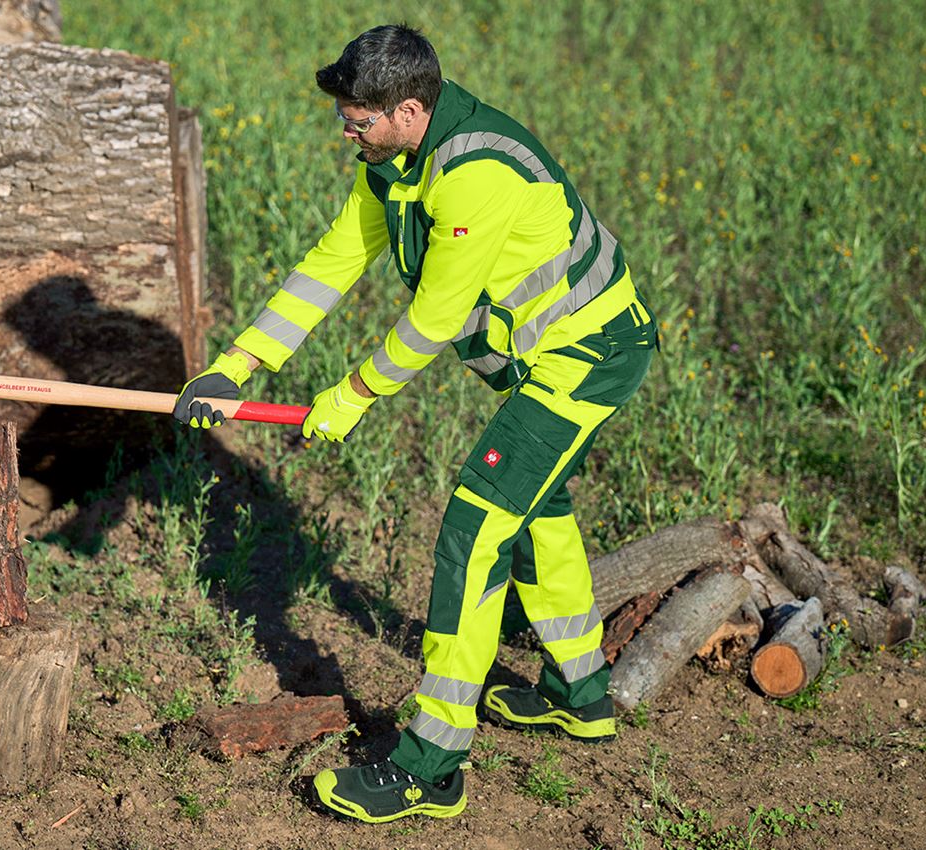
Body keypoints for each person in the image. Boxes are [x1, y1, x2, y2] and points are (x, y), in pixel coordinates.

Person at [174, 23, 659, 824]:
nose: (345, 127)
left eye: (357, 117)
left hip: (590, 354)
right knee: (538, 510)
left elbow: (435, 317)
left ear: (408, 107)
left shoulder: (479, 174)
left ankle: (432, 767)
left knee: (475, 529)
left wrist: (353, 394)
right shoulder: (391, 164)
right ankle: (581, 693)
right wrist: (239, 363)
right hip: (541, 361)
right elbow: (331, 264)